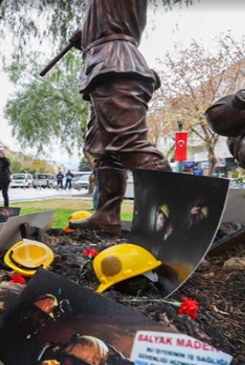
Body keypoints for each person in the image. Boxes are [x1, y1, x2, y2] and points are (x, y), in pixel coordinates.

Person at [67, 0, 172, 234]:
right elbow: (109, 20)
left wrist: (89, 36)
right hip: (101, 68)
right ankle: (106, 216)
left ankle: (178, 219)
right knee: (105, 152)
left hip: (116, 64)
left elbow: (117, 23)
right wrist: (86, 36)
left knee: (130, 145)